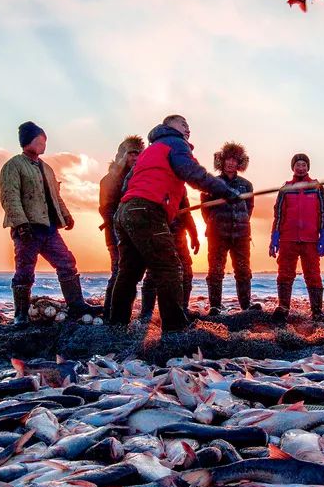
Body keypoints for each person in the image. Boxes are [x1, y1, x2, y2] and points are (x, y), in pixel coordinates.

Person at [107, 114, 239, 334]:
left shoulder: (151, 151)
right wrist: (225, 191)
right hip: (146, 210)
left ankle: (116, 326)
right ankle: (175, 330)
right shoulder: (175, 142)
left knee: (129, 272)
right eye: (183, 124)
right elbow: (192, 172)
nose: (188, 127)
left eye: (189, 124)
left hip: (126, 211)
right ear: (169, 127)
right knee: (169, 268)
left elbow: (128, 183)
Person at [0, 121, 100, 325]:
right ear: (28, 141)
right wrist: (20, 224)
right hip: (28, 228)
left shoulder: (47, 168)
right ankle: (20, 314)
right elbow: (10, 197)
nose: (44, 145)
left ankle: (77, 305)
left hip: (49, 228)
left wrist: (66, 215)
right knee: (25, 270)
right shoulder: (13, 165)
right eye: (40, 140)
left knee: (66, 262)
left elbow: (55, 196)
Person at [270, 153, 324, 321]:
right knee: (285, 273)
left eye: (304, 165)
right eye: (298, 165)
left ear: (308, 167)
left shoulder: (317, 187)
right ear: (293, 167)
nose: (301, 167)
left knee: (313, 274)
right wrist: (274, 236)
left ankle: (317, 310)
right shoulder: (286, 188)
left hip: (311, 239)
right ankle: (283, 307)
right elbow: (278, 214)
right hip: (287, 238)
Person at [201, 142, 255, 315]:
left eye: (234, 160)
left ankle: (246, 306)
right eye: (228, 160)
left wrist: (241, 223)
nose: (231, 163)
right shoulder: (212, 183)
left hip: (241, 235)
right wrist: (213, 224)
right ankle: (215, 306)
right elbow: (204, 208)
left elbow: (249, 208)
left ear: (239, 163)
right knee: (216, 271)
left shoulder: (246, 185)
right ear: (222, 162)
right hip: (217, 234)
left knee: (243, 270)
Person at [98, 135, 144, 318]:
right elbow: (105, 209)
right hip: (117, 233)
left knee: (132, 274)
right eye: (131, 153)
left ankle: (123, 314)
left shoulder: (140, 177)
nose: (135, 157)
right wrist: (119, 228)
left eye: (138, 154)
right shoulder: (109, 180)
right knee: (119, 271)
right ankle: (111, 314)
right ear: (122, 155)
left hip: (138, 232)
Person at [138, 194, 198, 323]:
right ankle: (146, 313)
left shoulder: (180, 188)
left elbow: (187, 214)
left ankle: (183, 308)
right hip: (157, 236)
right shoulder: (151, 184)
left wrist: (194, 236)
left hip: (179, 237)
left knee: (186, 273)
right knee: (153, 273)